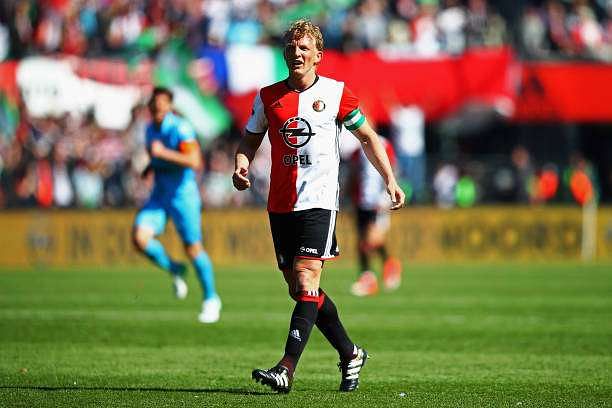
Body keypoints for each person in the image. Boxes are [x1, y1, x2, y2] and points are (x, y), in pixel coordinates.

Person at [232, 20, 405, 393]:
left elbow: (369, 137)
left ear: (318, 56)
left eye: (305, 49)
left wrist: (389, 178)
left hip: (319, 202)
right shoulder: (267, 97)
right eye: (292, 49)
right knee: (300, 290)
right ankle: (350, 352)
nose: (297, 54)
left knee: (308, 279)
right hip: (280, 204)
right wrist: (241, 166)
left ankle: (286, 368)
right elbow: (249, 141)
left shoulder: (337, 94)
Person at [132, 87, 221, 324]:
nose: (157, 109)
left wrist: (163, 154)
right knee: (139, 238)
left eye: (161, 105)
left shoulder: (181, 128)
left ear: (169, 106)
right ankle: (175, 268)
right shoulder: (150, 129)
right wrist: (150, 167)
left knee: (193, 248)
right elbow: (155, 155)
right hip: (160, 194)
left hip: (183, 196)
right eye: (154, 105)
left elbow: (194, 160)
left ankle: (211, 299)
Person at [348, 136, 402, 297]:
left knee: (369, 240)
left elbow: (393, 169)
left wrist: (387, 196)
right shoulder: (357, 151)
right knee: (362, 241)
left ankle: (368, 279)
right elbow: (353, 175)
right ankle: (389, 263)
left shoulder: (383, 144)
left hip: (377, 201)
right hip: (361, 201)